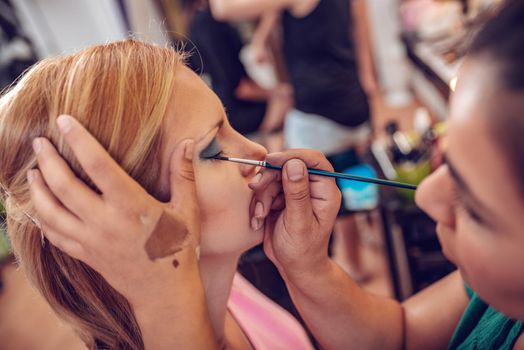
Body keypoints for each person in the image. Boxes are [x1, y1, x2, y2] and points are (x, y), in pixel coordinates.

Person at [10, 0, 524, 348]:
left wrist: (166, 299)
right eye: (217, 143)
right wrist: (310, 270)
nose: (257, 152)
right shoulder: (235, 291)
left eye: (476, 207)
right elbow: (404, 335)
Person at [0, 39, 313, 349]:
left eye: (228, 126)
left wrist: (313, 271)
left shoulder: (229, 285)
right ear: (126, 216)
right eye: (213, 149)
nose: (257, 151)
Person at [208, 0, 378, 280]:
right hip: (353, 100)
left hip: (319, 108)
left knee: (313, 181)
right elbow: (361, 34)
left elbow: (223, 8)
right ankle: (360, 247)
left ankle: (347, 263)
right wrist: (370, 89)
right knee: (344, 171)